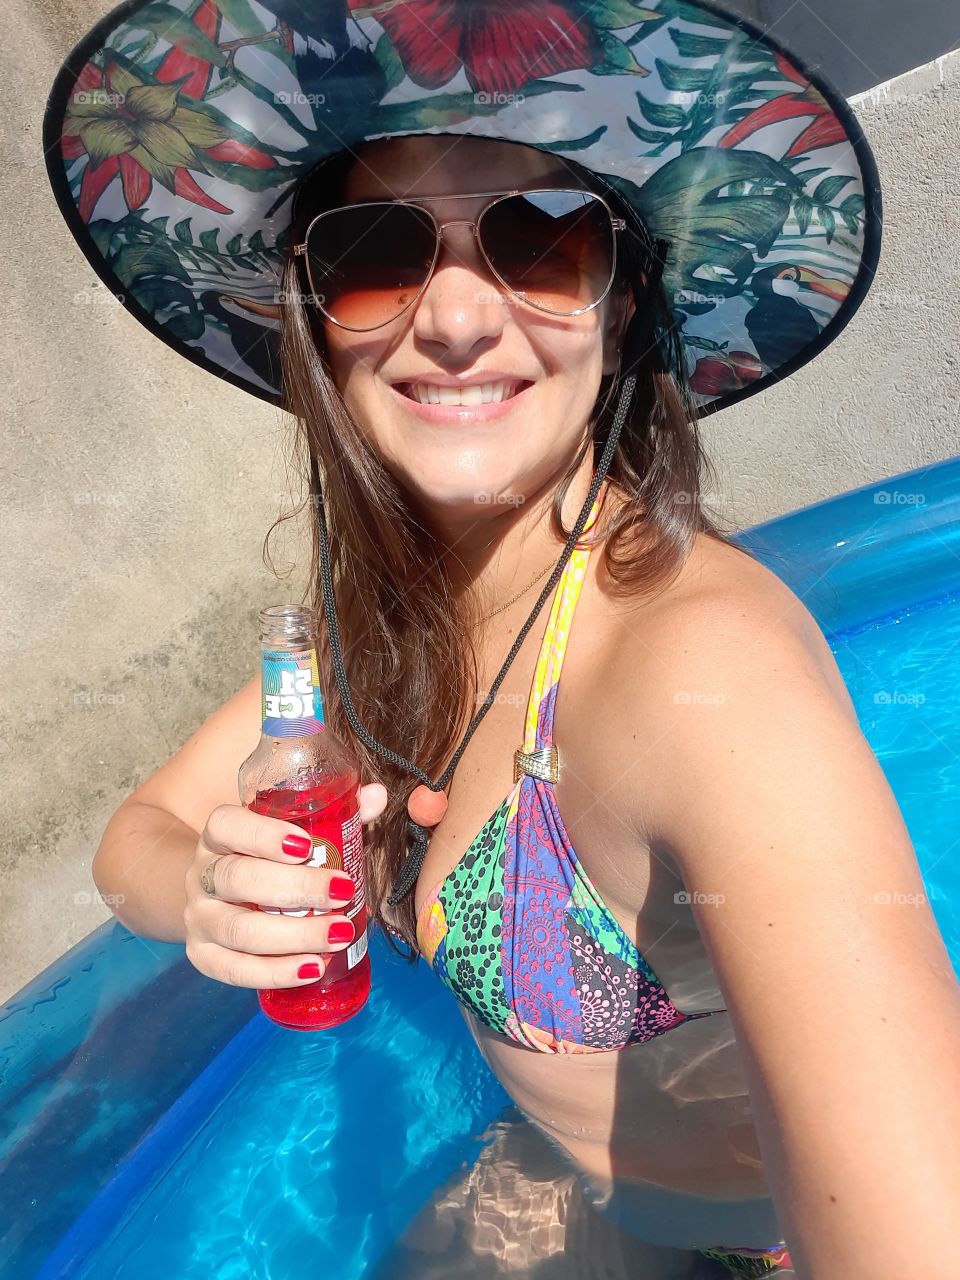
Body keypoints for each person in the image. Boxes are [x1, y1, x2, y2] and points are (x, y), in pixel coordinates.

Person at [44, 3, 960, 1276]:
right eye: (377, 250)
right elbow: (133, 840)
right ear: (315, 313)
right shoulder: (395, 610)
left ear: (621, 297)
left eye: (539, 241)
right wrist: (213, 886)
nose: (460, 317)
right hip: (603, 1206)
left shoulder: (702, 670)